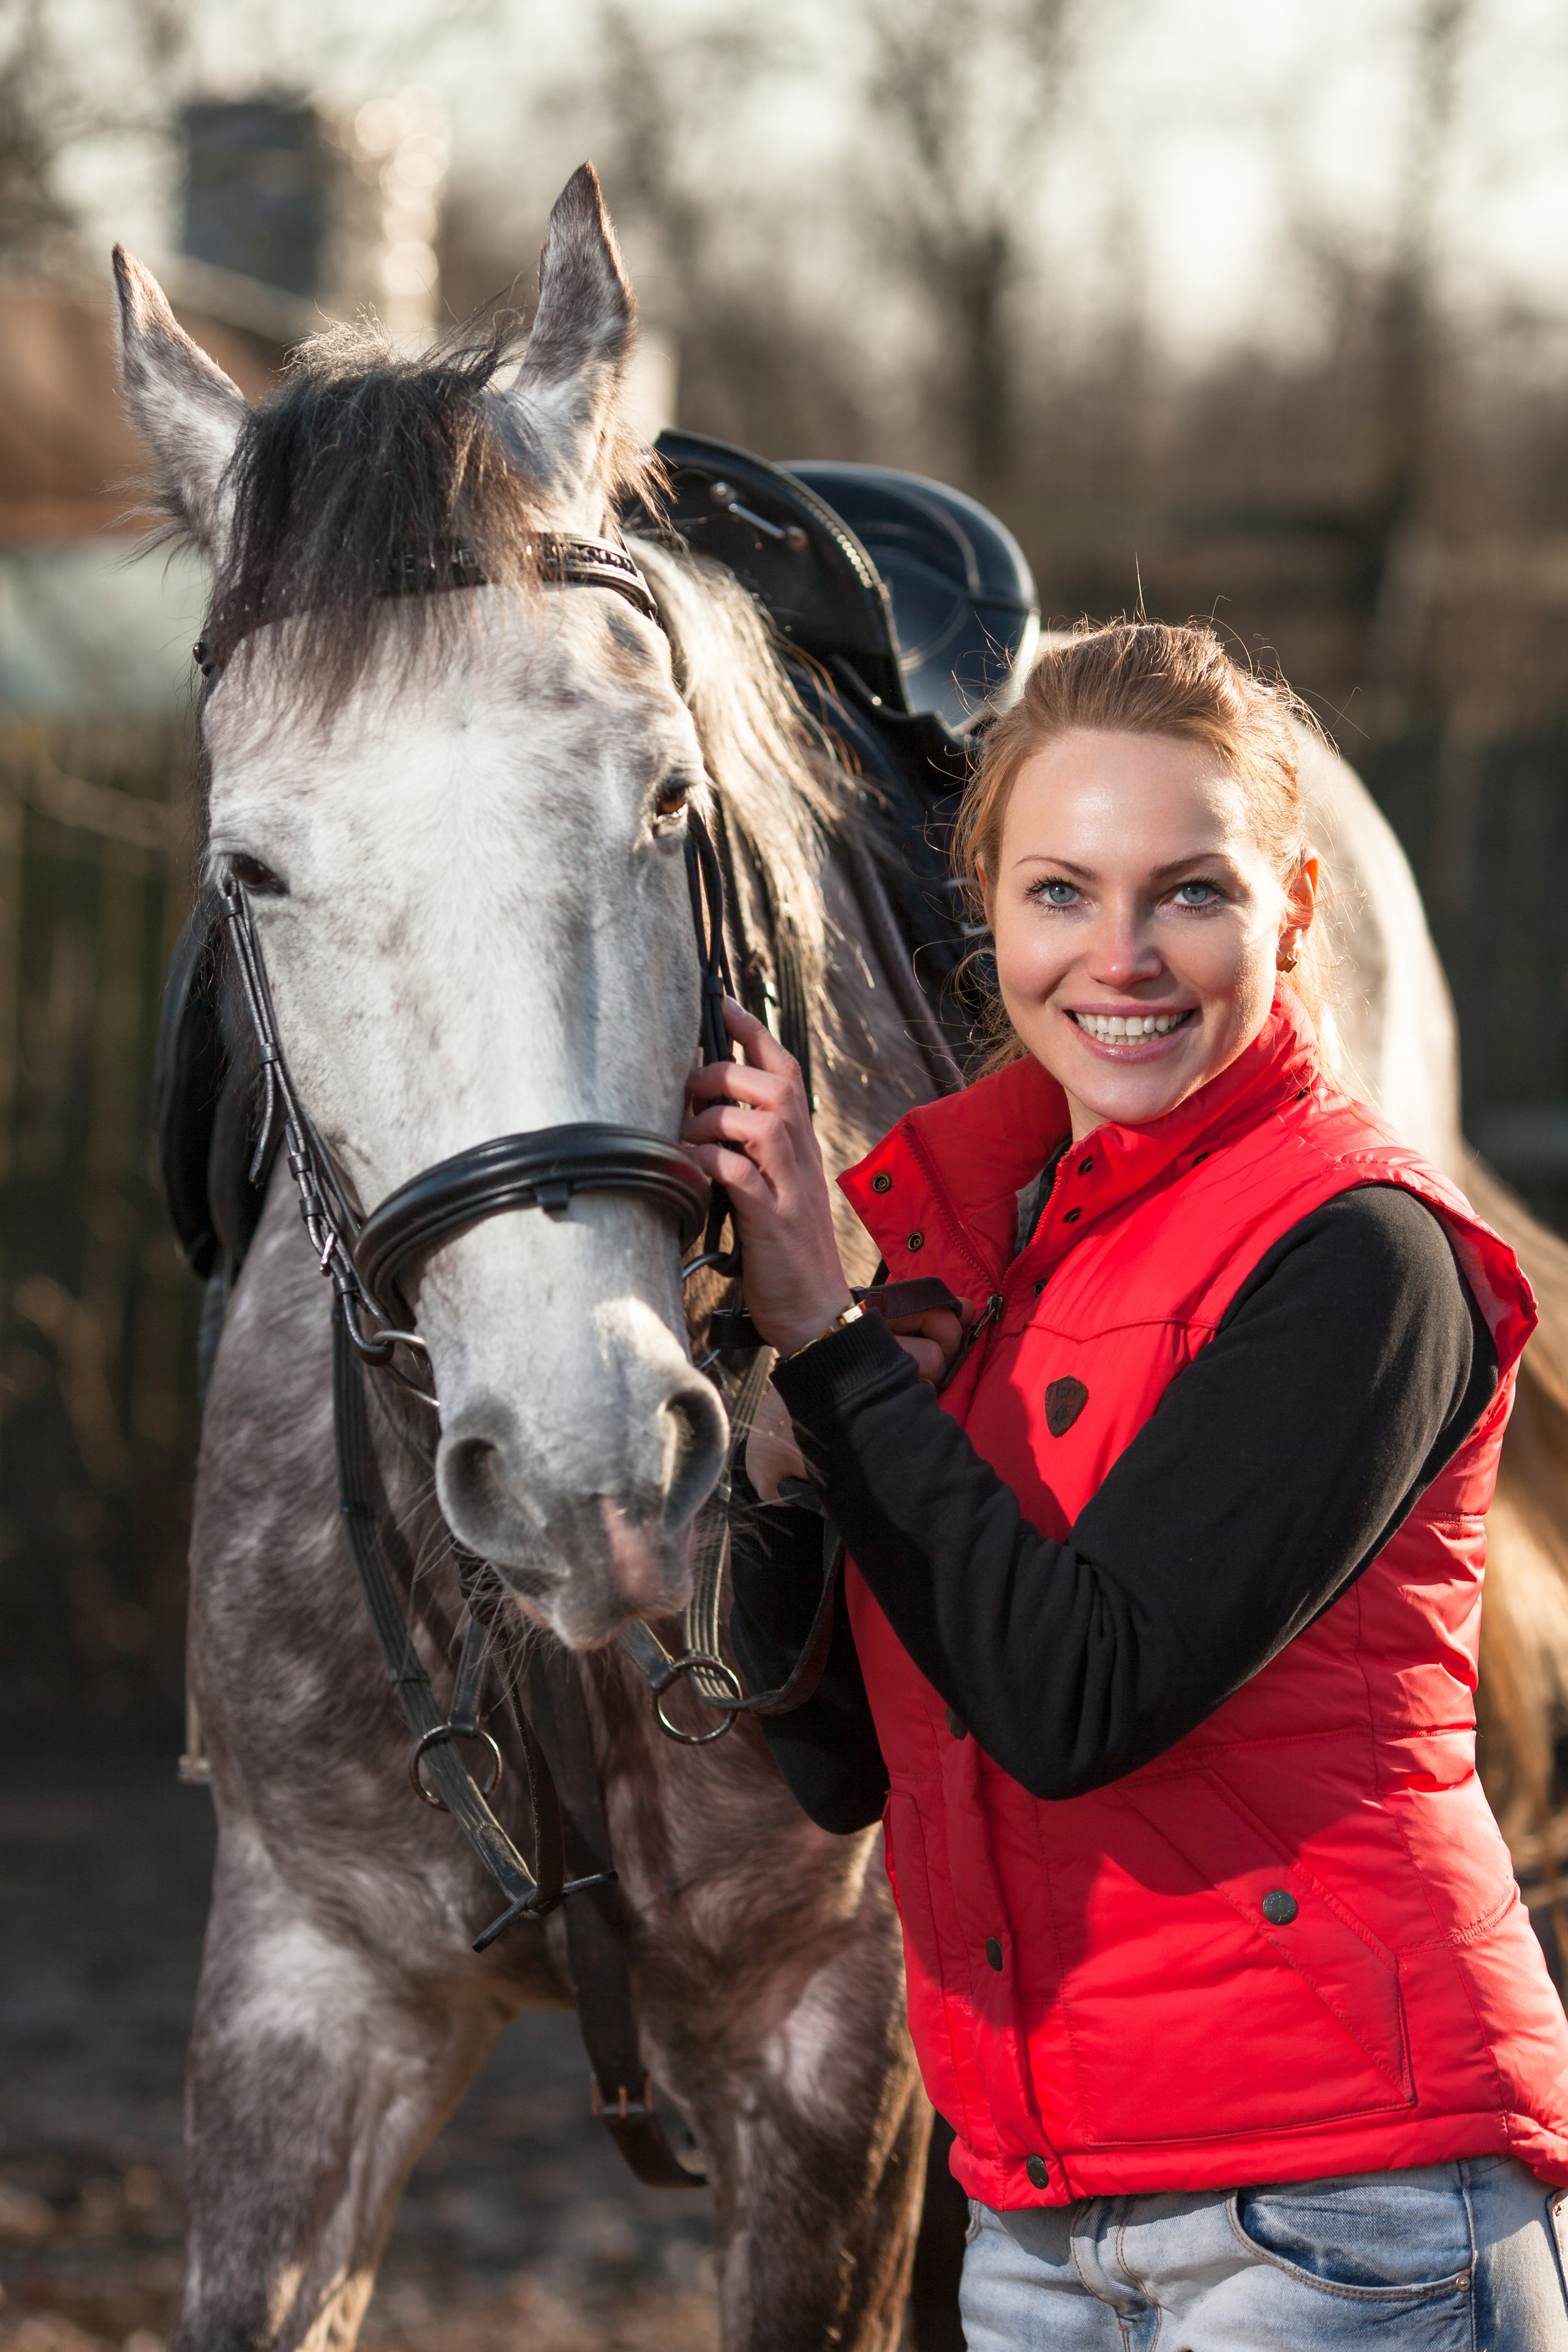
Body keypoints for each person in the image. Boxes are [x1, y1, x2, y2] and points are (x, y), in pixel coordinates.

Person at [681, 620, 1568, 2349]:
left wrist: (832, 1348)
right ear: (991, 917)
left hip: (1348, 2209)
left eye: (1192, 894)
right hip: (1043, 2223)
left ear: (1294, 910)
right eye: (1062, 894)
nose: (1124, 958)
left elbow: (1075, 1700)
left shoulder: (1364, 1256)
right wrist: (789, 1477)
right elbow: (851, 1767)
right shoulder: (989, 1264)